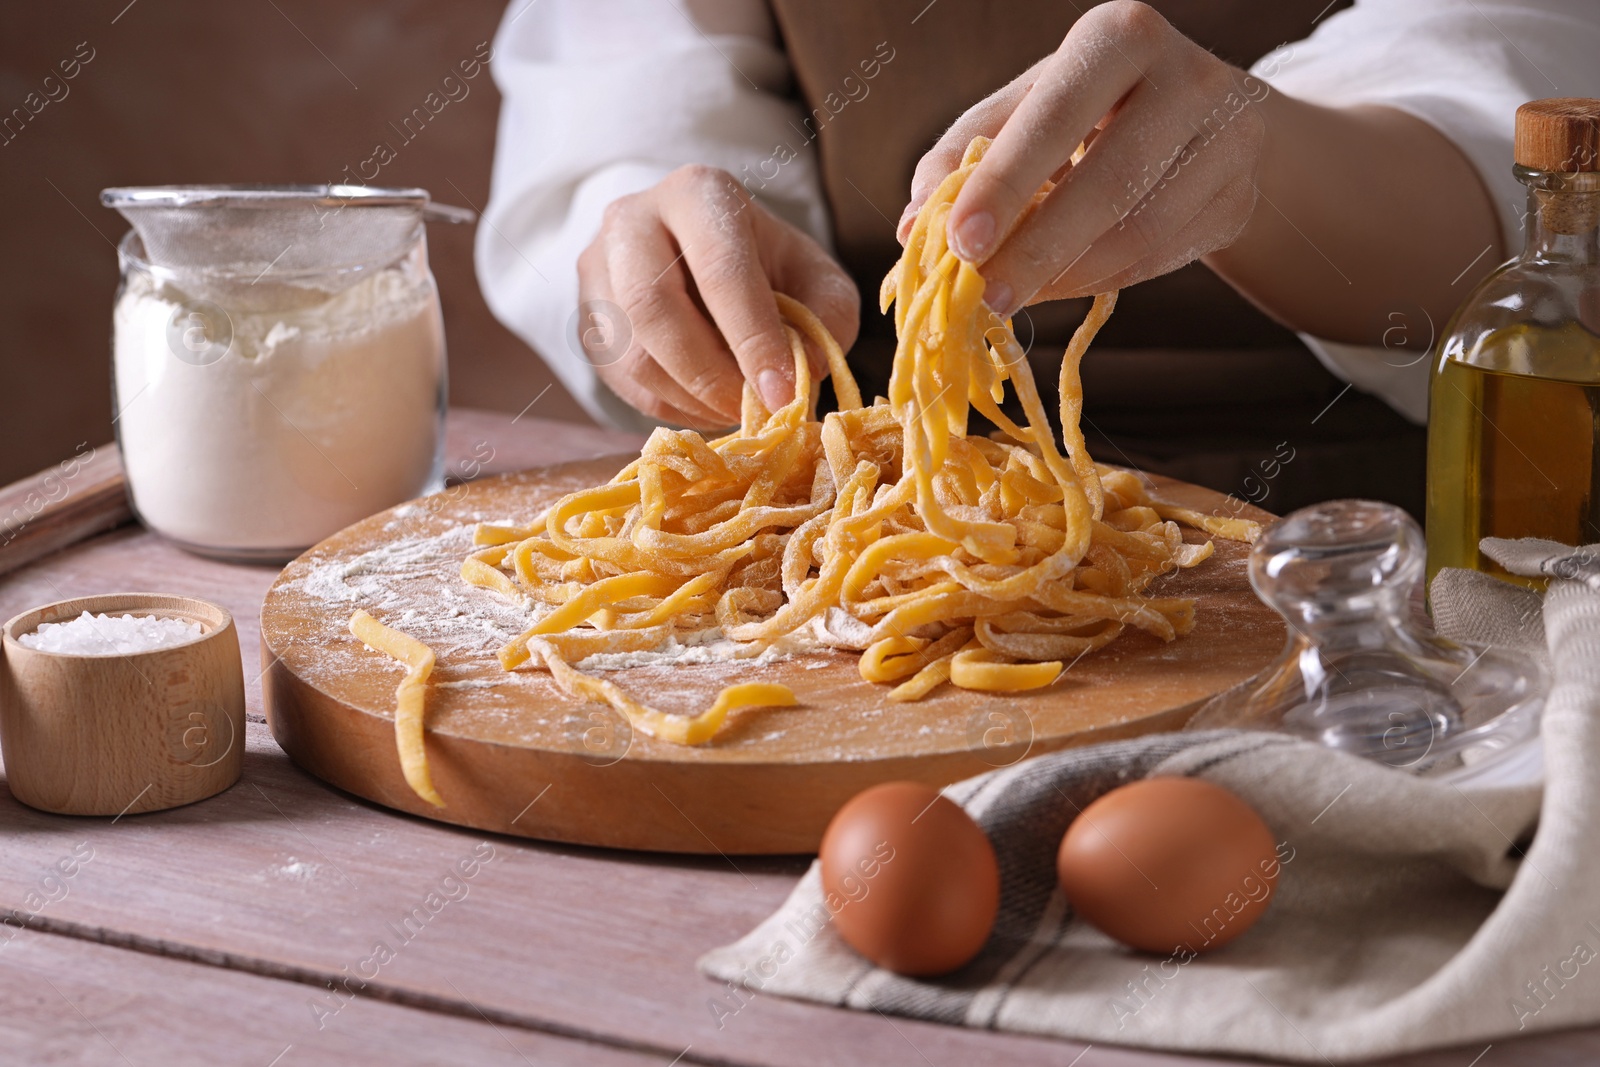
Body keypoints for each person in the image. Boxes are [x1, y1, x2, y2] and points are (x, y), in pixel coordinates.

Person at [476, 0, 1600, 512]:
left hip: (1381, 534)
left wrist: (1264, 165)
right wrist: (652, 246)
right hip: (850, 506)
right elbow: (621, 91)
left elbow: (1533, 157)